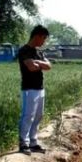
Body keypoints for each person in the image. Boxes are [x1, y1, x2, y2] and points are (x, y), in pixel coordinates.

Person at [17, 25, 51, 155]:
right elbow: (31, 67)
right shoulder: (24, 50)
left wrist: (38, 63)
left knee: (38, 116)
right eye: (43, 38)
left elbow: (49, 66)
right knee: (28, 116)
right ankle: (23, 143)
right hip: (29, 89)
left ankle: (33, 142)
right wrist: (39, 63)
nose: (44, 42)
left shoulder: (38, 52)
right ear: (37, 36)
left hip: (40, 88)